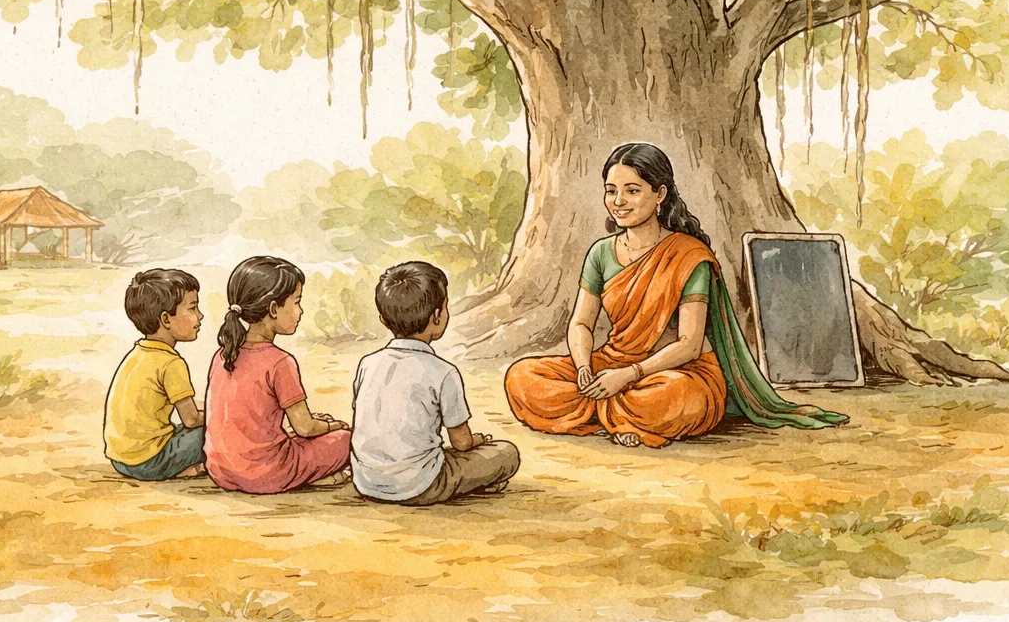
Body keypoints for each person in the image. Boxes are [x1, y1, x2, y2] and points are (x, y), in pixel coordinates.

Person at [504, 142, 848, 448]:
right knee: (522, 378)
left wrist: (627, 376)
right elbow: (581, 322)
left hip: (679, 372)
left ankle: (610, 411)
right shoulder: (600, 253)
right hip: (612, 362)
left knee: (676, 398)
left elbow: (689, 344)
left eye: (632, 190)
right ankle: (619, 414)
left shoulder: (688, 255)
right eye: (611, 191)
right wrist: (582, 367)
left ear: (660, 194)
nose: (619, 202)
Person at [350, 261, 519, 505]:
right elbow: (461, 443)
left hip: (366, 481)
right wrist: (478, 441)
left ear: (384, 320)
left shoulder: (368, 363)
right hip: (421, 485)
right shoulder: (443, 371)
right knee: (506, 453)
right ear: (438, 316)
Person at [203, 256, 352, 493]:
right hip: (266, 474)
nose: (300, 311)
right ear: (273, 309)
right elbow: (305, 428)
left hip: (220, 470)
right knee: (345, 439)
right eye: (296, 302)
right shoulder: (280, 361)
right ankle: (311, 478)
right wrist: (331, 425)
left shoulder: (222, 355)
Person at [103, 268, 208, 480]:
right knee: (215, 430)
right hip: (147, 462)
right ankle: (173, 471)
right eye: (192, 308)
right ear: (166, 319)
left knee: (186, 429)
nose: (200, 316)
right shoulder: (171, 362)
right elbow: (191, 419)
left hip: (120, 460)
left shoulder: (138, 354)